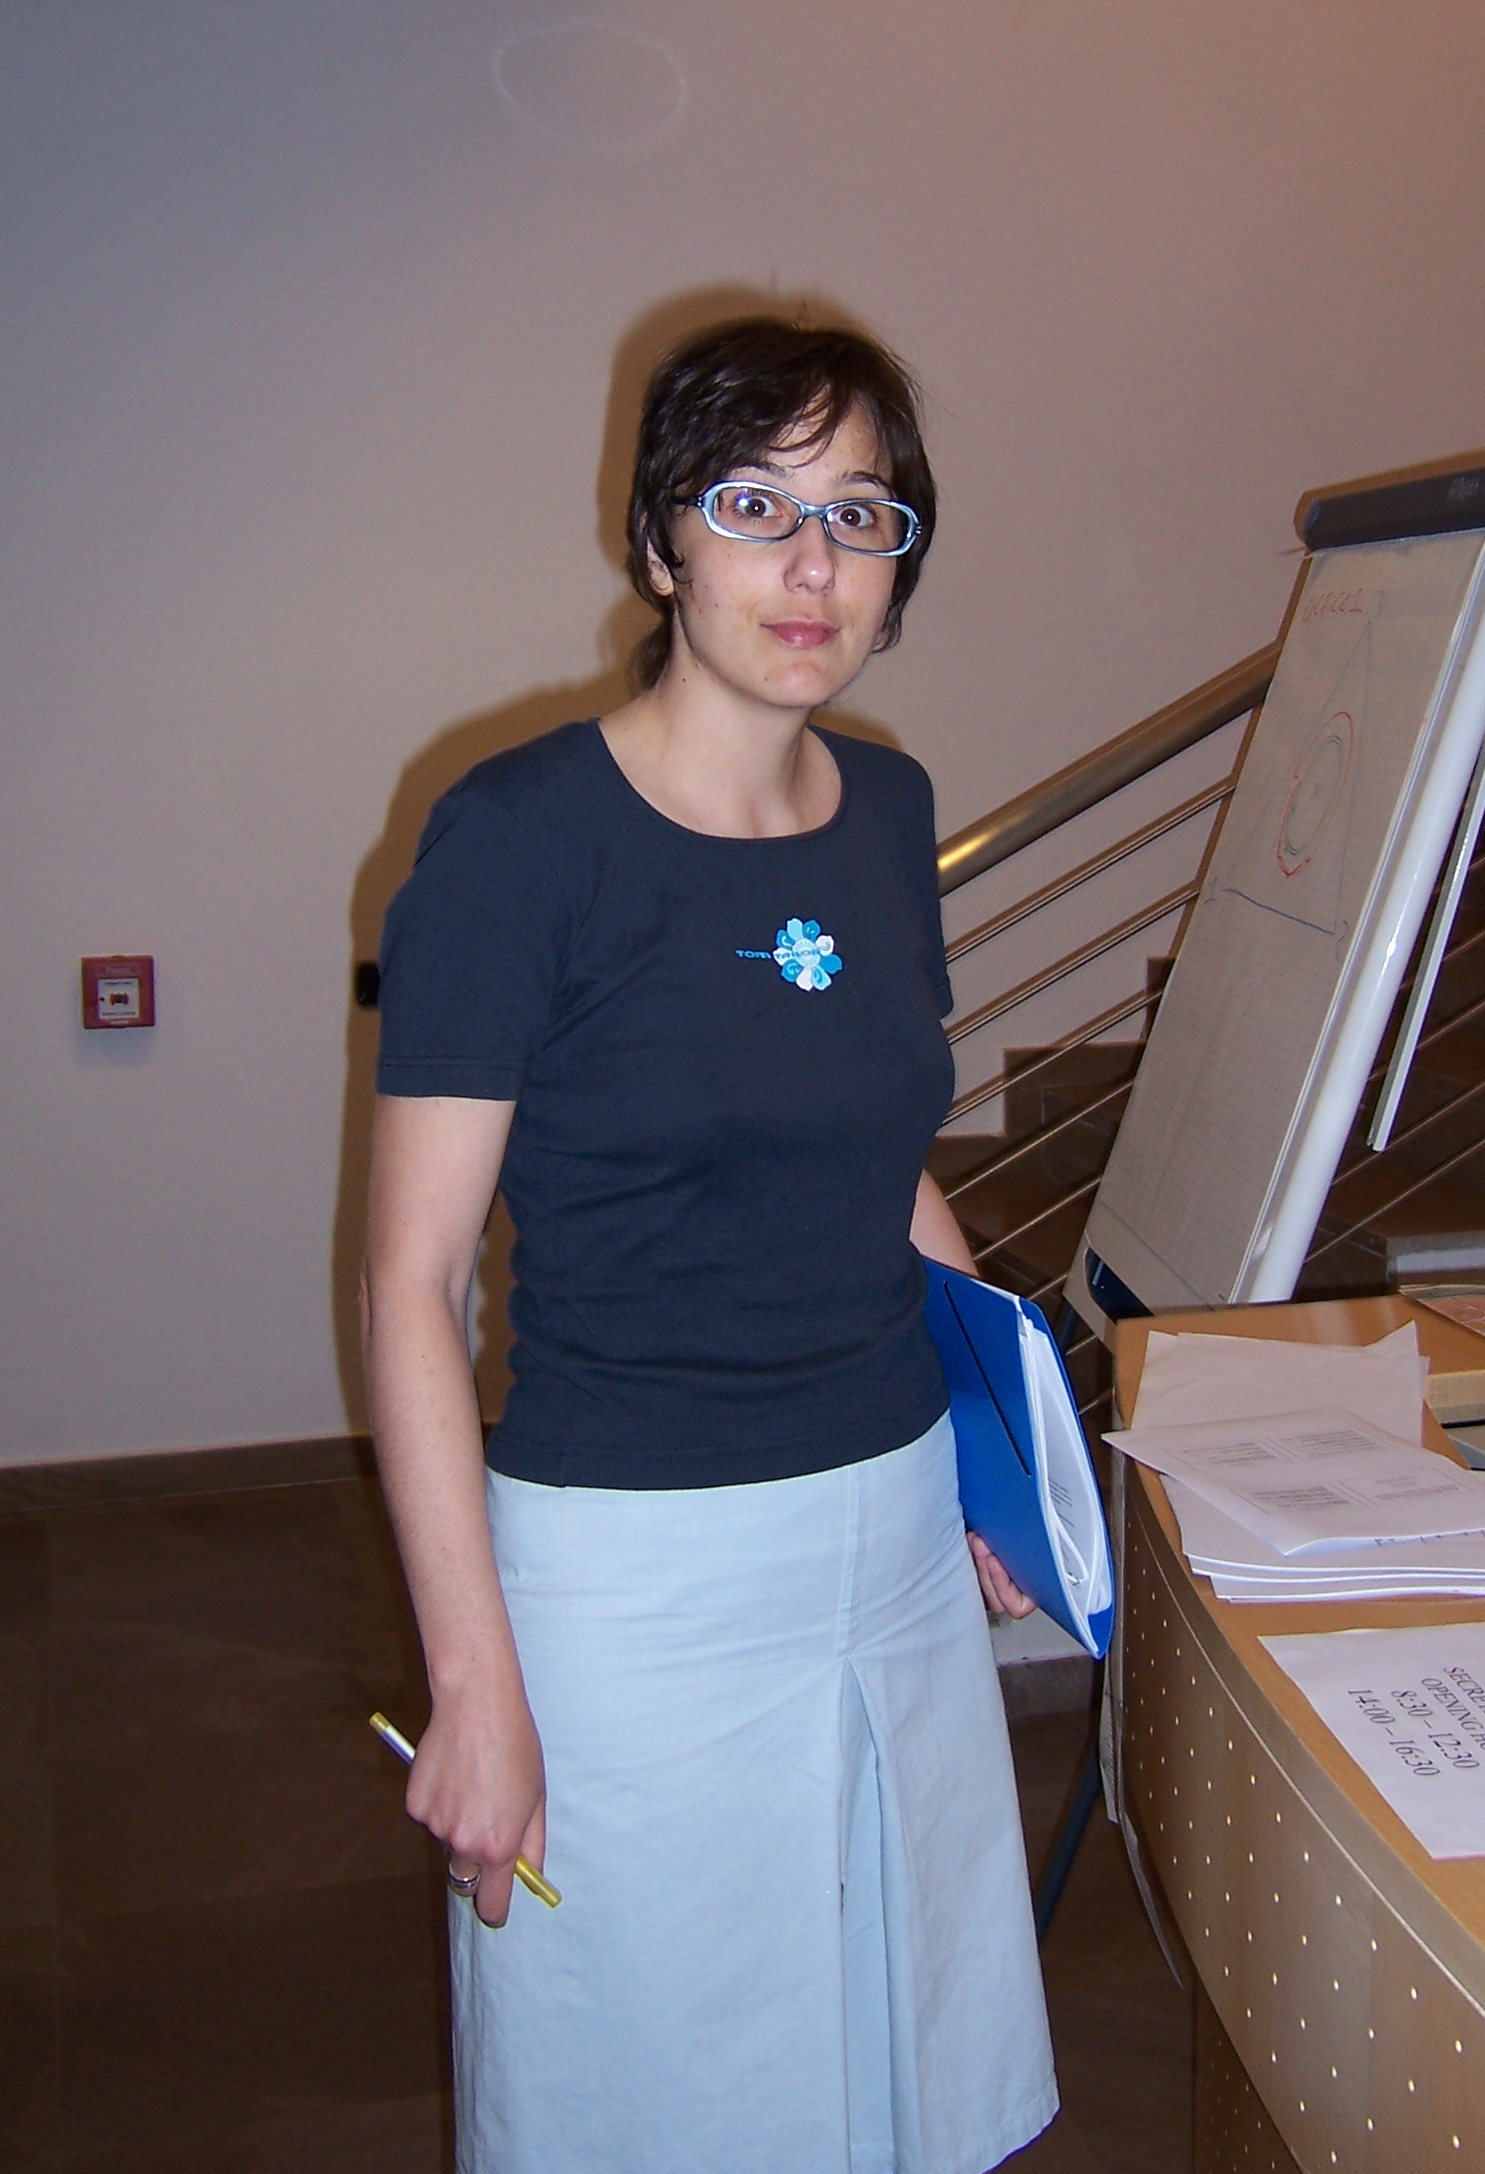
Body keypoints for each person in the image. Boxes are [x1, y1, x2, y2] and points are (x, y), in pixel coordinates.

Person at [362, 317, 1058, 2173]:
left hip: (895, 1541)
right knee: (658, 2088)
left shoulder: (892, 809)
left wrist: (995, 1457)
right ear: (663, 540)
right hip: (638, 1576)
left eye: (862, 514)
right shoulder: (520, 841)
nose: (813, 564)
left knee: (894, 2046)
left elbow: (884, 1169)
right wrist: (476, 1687)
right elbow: (412, 1285)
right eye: (756, 506)